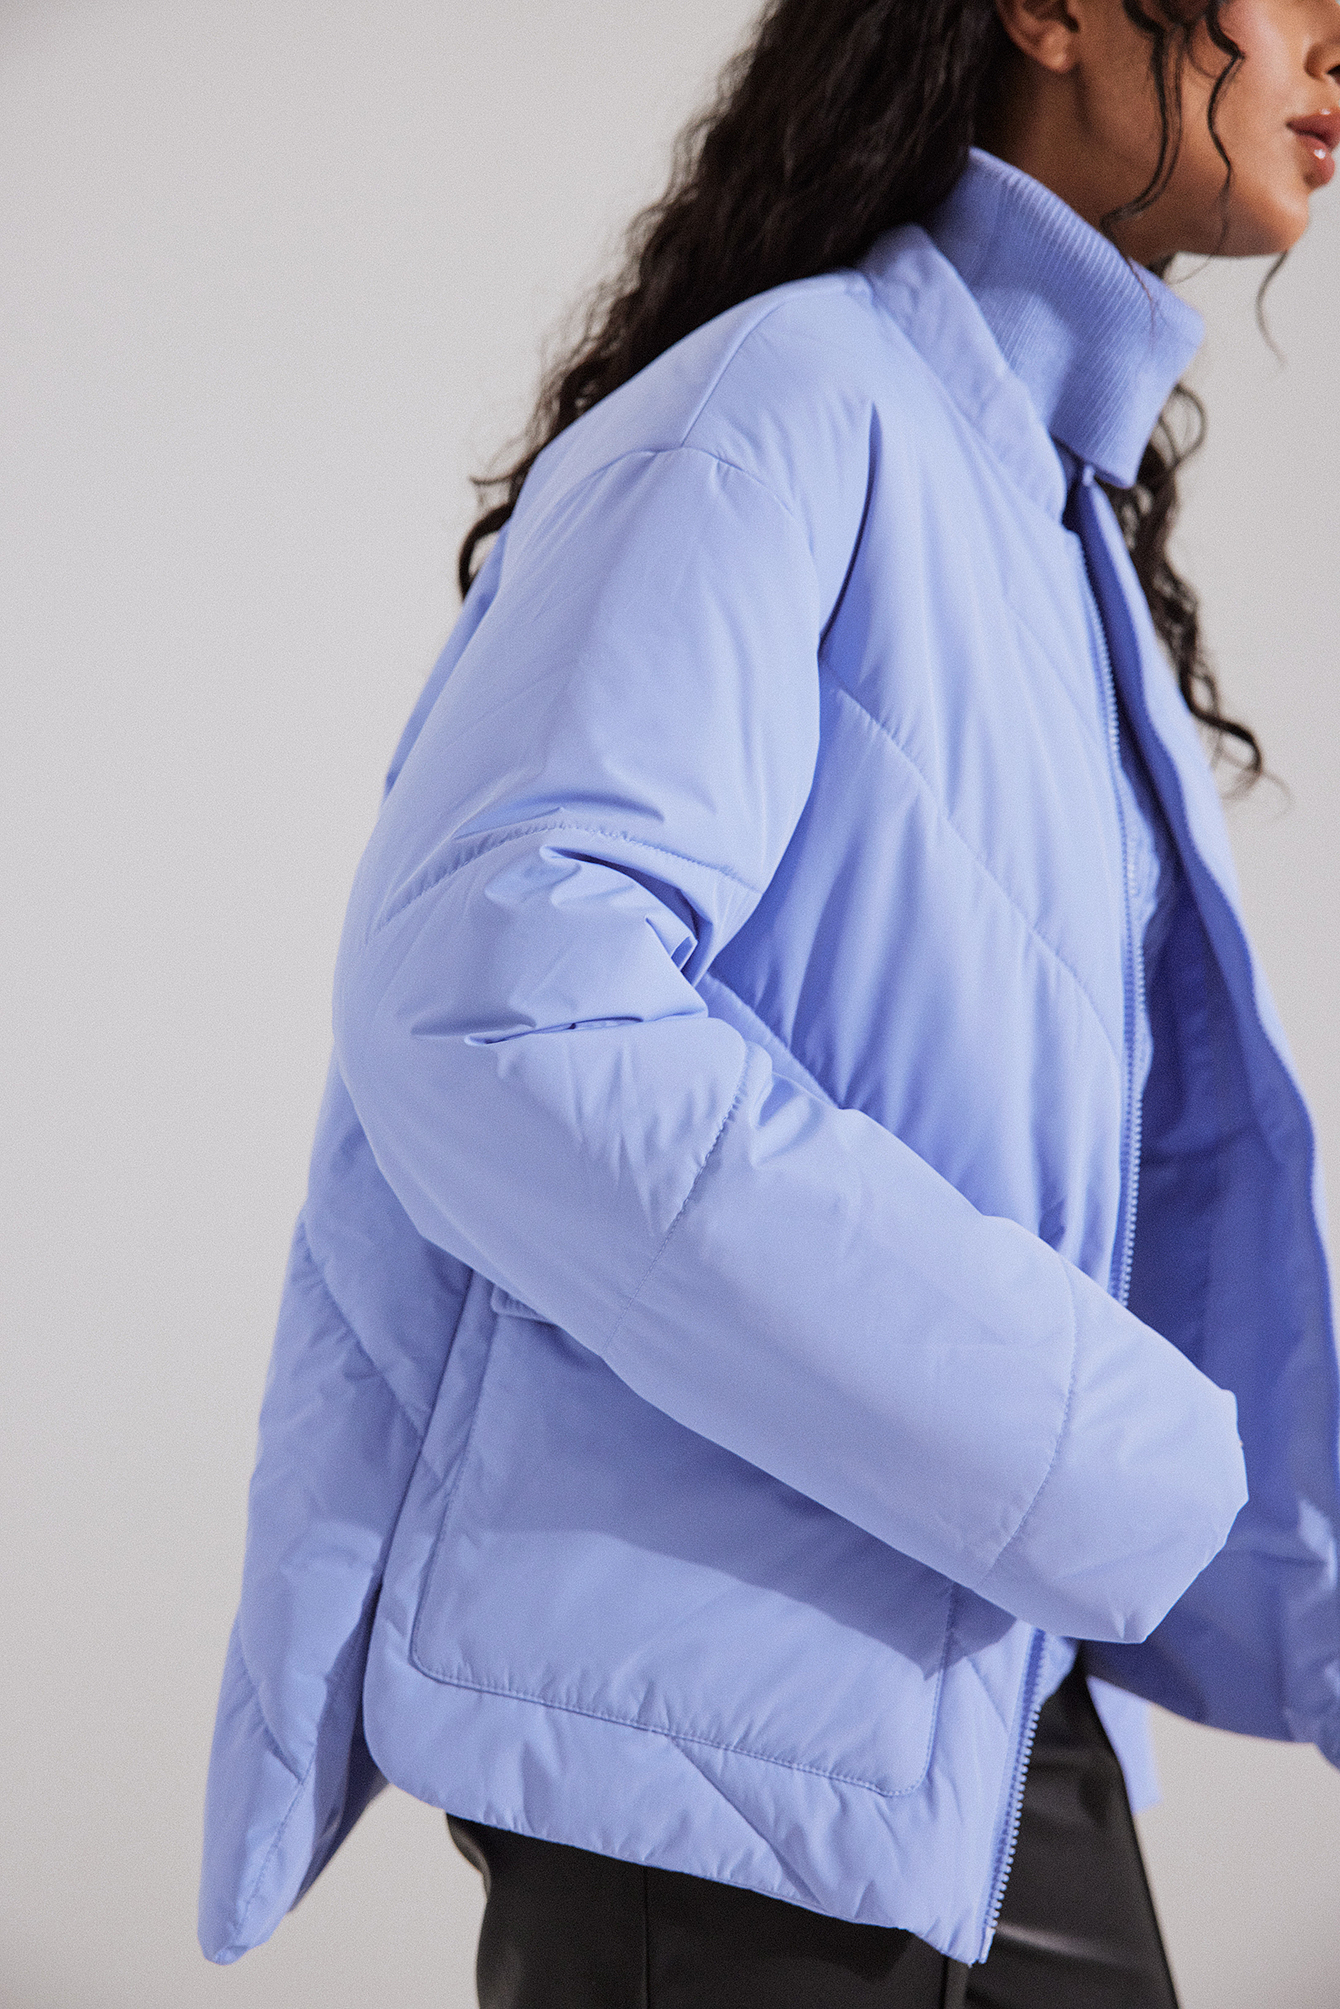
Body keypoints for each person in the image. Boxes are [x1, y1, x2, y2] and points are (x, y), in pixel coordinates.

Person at [198, 2, 1340, 2003]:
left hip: (968, 1712)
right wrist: (1094, 1450)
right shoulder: (791, 403)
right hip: (716, 1766)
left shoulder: (1036, 509)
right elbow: (500, 1012)